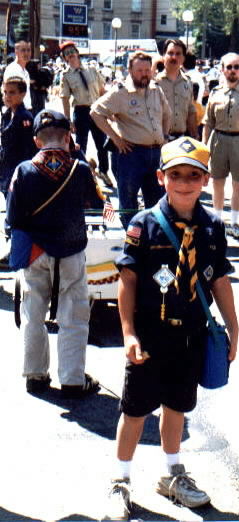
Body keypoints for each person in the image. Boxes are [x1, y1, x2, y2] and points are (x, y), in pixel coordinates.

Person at [107, 137, 238, 520]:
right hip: (150, 335)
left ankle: (173, 474)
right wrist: (129, 333)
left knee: (177, 407)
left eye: (193, 175)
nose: (185, 182)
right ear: (161, 177)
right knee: (134, 412)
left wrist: (233, 327)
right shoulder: (143, 224)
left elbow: (220, 280)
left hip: (191, 334)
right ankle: (120, 480)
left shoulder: (212, 226)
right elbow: (127, 280)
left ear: (205, 179)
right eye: (176, 174)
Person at [6, 109, 102, 398]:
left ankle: (35, 375)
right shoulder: (80, 169)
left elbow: (13, 217)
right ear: (68, 137)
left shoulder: (23, 170)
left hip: (36, 252)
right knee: (74, 316)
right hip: (71, 251)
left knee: (33, 314)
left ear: (37, 141)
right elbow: (98, 206)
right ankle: (73, 379)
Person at [90, 51, 171, 229]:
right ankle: (131, 238)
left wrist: (164, 136)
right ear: (130, 71)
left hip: (155, 153)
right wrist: (116, 139)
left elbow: (167, 114)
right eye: (139, 70)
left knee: (157, 199)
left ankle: (153, 237)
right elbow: (96, 112)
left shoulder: (156, 89)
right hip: (131, 154)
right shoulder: (121, 93)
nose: (144, 74)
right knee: (128, 200)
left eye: (147, 70)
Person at [202, 52, 239, 238]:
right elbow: (208, 122)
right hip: (219, 140)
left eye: (236, 67)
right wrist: (204, 147)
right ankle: (218, 222)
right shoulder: (215, 93)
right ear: (222, 69)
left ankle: (235, 223)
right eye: (229, 67)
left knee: (238, 185)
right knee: (217, 183)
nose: (233, 70)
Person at [59, 41, 112, 187]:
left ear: (77, 52)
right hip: (81, 111)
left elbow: (102, 91)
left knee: (102, 143)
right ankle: (80, 174)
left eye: (72, 51)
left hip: (96, 110)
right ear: (64, 58)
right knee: (81, 145)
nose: (70, 54)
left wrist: (106, 111)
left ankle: (103, 172)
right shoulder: (66, 76)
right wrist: (68, 120)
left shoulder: (92, 69)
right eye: (67, 53)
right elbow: (64, 98)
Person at [0, 76, 36, 198]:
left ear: (23, 94)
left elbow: (28, 149)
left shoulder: (25, 117)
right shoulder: (6, 115)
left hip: (19, 170)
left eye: (12, 92)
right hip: (6, 168)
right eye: (5, 92)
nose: (7, 96)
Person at [156, 39, 197, 139]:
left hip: (181, 139)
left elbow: (190, 110)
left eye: (178, 54)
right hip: (159, 140)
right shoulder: (155, 82)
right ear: (163, 56)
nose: (174, 57)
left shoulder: (188, 83)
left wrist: (194, 134)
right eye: (170, 53)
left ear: (183, 58)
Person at [3, 40, 32, 111]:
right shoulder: (12, 69)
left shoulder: (26, 72)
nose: (26, 53)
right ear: (16, 52)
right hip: (16, 111)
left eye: (28, 50)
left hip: (26, 110)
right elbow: (7, 94)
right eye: (23, 50)